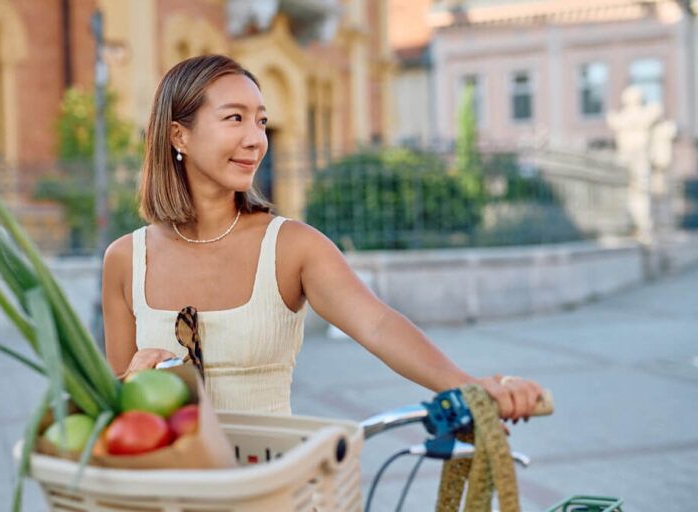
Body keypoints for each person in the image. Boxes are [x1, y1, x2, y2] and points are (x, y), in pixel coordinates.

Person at [102, 54, 543, 422]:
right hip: (165, 492)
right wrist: (132, 381)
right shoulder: (126, 259)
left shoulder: (293, 247)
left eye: (261, 121)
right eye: (235, 118)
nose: (256, 139)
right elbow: (113, 404)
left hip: (273, 487)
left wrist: (467, 386)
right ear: (178, 134)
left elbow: (376, 323)